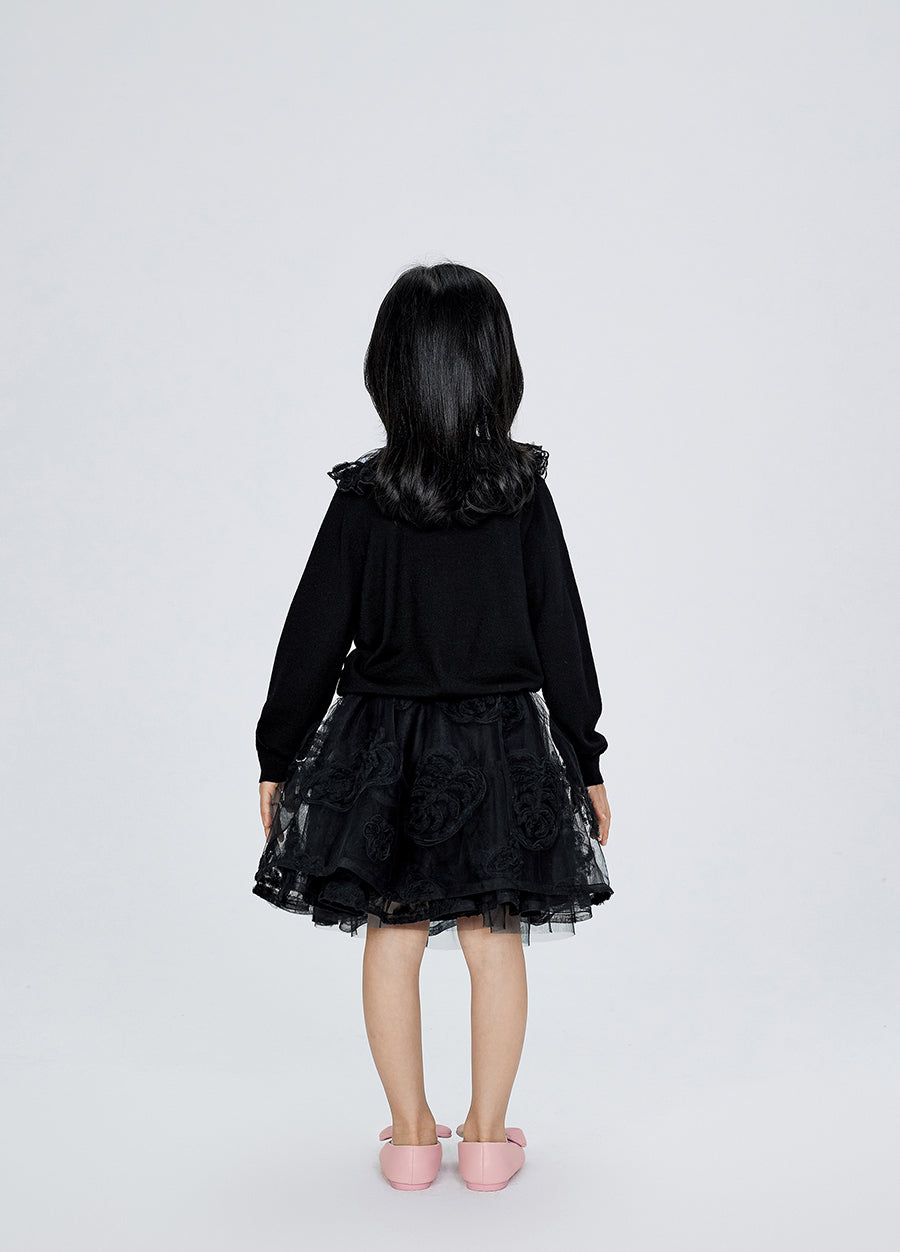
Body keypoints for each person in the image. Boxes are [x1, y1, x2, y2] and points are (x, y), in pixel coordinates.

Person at [252, 260, 613, 1191]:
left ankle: (412, 1139)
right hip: (500, 744)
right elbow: (562, 632)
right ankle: (486, 1141)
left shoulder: (365, 497)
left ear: (390, 370)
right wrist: (584, 756)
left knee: (394, 932)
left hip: (383, 745)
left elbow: (311, 634)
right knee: (495, 938)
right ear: (496, 366)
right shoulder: (521, 494)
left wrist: (278, 754)